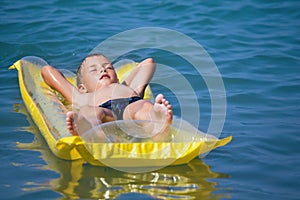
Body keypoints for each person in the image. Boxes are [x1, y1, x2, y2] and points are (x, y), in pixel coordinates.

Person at [41, 53, 173, 141]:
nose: (103, 70)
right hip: (105, 111)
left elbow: (148, 63)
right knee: (89, 112)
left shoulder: (127, 88)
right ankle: (90, 130)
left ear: (117, 77)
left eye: (108, 68)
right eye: (94, 70)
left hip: (131, 104)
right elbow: (47, 71)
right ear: (82, 88)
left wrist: (122, 84)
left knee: (144, 107)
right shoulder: (81, 96)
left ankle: (157, 123)